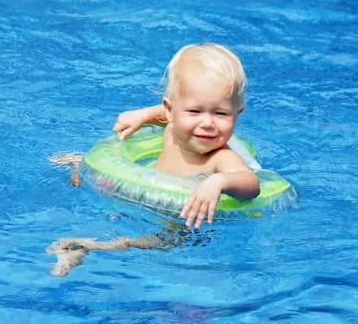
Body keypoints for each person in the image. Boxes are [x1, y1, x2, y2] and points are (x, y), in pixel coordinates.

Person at [47, 43, 260, 276]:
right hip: (138, 198)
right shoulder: (171, 131)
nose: (207, 123)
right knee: (85, 176)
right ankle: (79, 164)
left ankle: (86, 246)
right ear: (171, 110)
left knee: (160, 243)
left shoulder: (220, 157)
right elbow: (169, 115)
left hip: (177, 223)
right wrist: (145, 115)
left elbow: (250, 184)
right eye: (195, 112)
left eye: (220, 113)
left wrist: (218, 182)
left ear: (236, 113)